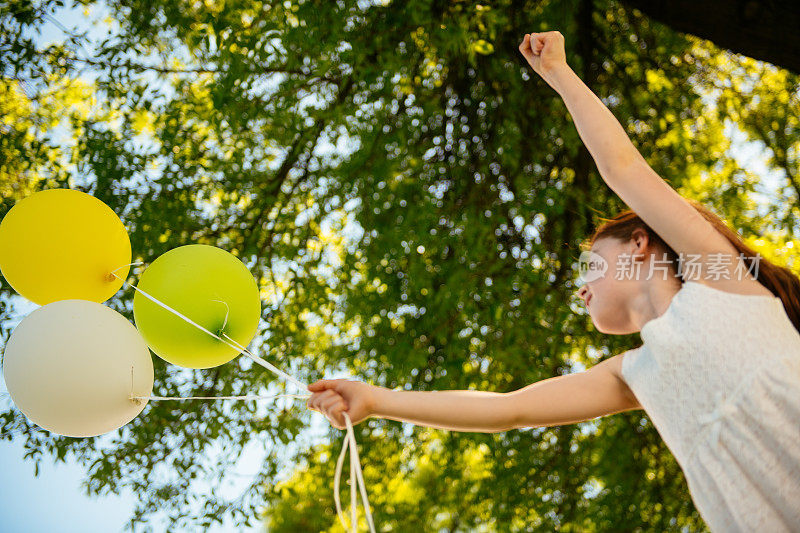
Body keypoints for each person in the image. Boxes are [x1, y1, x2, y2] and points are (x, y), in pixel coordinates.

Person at [306, 31, 800, 532]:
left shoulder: (723, 281)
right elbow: (511, 408)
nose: (580, 288)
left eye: (590, 264)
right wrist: (378, 400)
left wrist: (559, 74)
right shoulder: (636, 373)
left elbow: (622, 167)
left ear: (639, 243)